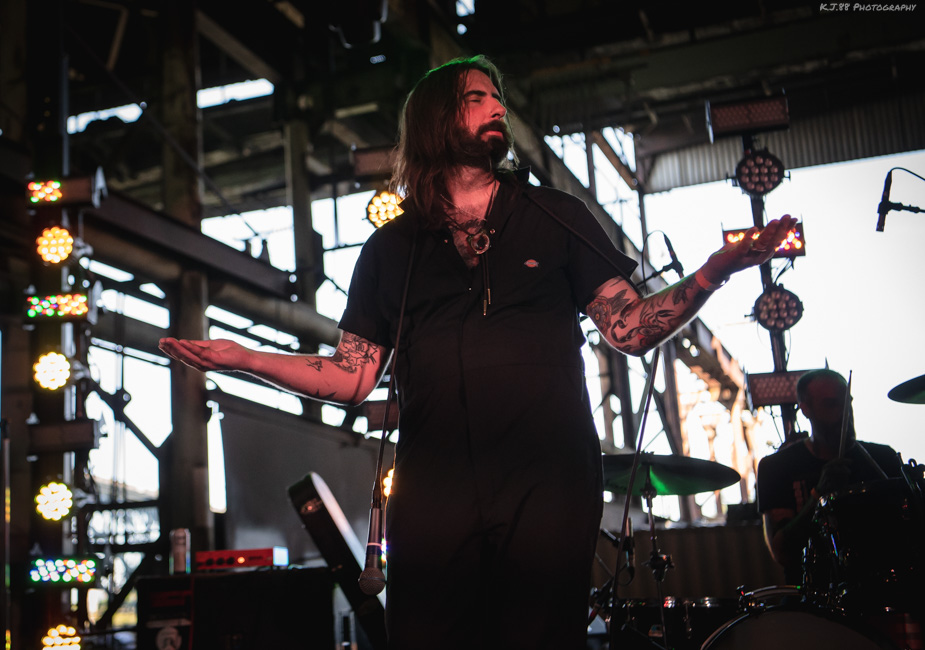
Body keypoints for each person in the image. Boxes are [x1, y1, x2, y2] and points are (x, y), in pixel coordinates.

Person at [159, 55, 796, 649]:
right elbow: (352, 377)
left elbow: (628, 330)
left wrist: (714, 272)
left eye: (499, 97)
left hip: (546, 480)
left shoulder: (555, 216)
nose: (497, 107)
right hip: (436, 488)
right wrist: (244, 359)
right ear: (438, 120)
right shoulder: (392, 249)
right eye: (476, 98)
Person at [756, 369, 906, 584]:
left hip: (883, 587)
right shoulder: (777, 467)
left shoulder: (883, 458)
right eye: (832, 404)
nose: (845, 413)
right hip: (811, 596)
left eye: (847, 403)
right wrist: (818, 495)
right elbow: (782, 553)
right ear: (806, 409)